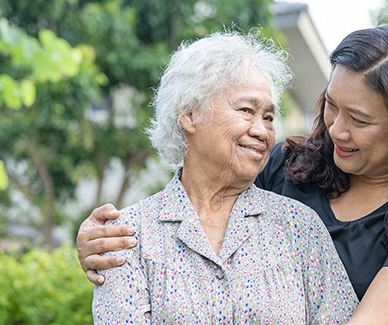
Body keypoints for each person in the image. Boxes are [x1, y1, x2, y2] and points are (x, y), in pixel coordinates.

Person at [80, 25, 388, 324]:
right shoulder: (287, 165)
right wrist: (102, 243)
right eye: (332, 105)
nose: (335, 128)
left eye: (360, 119)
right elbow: (198, 194)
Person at [91, 31, 358, 323]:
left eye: (268, 118)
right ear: (190, 115)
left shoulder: (299, 228)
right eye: (246, 110)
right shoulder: (129, 235)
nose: (261, 131)